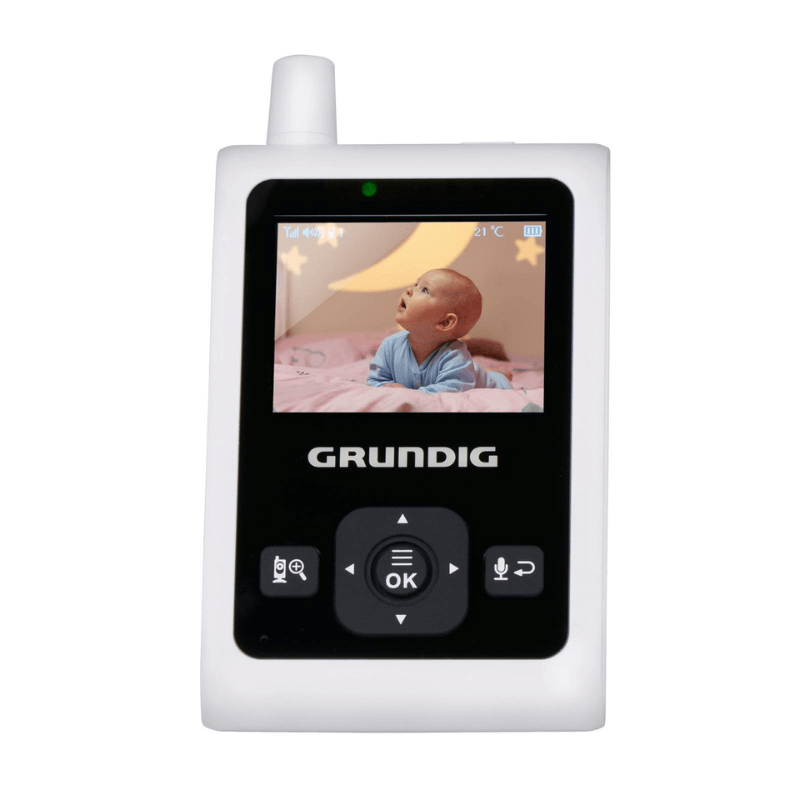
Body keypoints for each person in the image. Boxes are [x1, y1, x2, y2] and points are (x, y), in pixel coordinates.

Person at [367, 269, 513, 394]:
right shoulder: (390, 345)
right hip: (466, 370)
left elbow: (452, 391)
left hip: (484, 380)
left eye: (424, 290)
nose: (409, 290)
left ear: (445, 322)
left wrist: (410, 394)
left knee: (485, 375)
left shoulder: (455, 357)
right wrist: (385, 386)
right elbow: (375, 381)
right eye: (416, 284)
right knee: (471, 368)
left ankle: (500, 375)